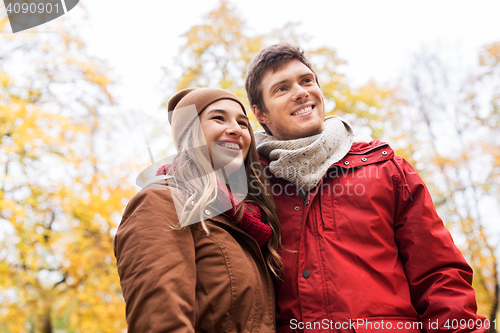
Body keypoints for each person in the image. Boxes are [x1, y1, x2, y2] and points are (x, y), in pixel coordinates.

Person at [245, 44, 488, 333]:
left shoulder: (386, 168)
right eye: (281, 89)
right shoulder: (251, 185)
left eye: (306, 80)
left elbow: (439, 274)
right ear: (261, 113)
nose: (300, 91)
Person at [114, 88, 282, 332]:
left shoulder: (250, 222)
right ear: (190, 135)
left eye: (243, 123)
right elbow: (161, 323)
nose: (236, 129)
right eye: (218, 118)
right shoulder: (162, 202)